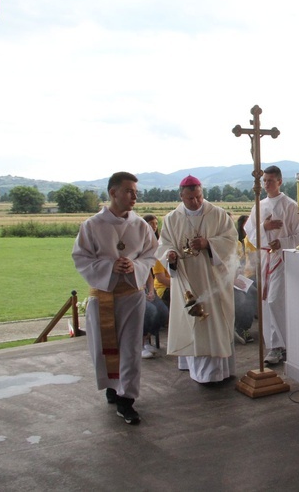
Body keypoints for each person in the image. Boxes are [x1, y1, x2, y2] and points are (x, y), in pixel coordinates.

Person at [72, 171, 158, 425]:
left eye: (135, 192)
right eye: (129, 191)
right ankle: (113, 386)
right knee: (105, 347)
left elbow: (150, 255)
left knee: (131, 348)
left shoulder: (140, 225)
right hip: (104, 295)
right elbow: (81, 258)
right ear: (113, 193)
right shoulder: (92, 225)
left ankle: (126, 399)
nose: (134, 196)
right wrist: (110, 267)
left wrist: (134, 266)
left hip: (132, 295)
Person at [157, 175, 238, 383]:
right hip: (187, 279)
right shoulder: (172, 219)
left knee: (213, 322)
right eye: (191, 198)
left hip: (212, 279)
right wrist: (170, 256)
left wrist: (208, 244)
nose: (196, 202)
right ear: (181, 196)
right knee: (191, 320)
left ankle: (217, 372)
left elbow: (231, 240)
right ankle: (194, 368)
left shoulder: (218, 214)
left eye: (199, 197)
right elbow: (164, 245)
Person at [244, 165, 299, 365]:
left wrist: (283, 243)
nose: (267, 184)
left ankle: (284, 344)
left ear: (279, 181)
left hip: (281, 259)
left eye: (271, 180)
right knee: (265, 302)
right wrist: (264, 227)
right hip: (264, 259)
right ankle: (273, 346)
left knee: (275, 300)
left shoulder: (290, 205)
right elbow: (250, 234)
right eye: (265, 181)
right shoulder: (258, 205)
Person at [142, 214, 168, 359]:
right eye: (150, 224)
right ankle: (141, 343)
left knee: (163, 311)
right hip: (134, 290)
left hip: (147, 288)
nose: (154, 226)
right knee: (150, 310)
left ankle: (148, 337)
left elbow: (148, 274)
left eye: (156, 224)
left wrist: (151, 291)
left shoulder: (157, 245)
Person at [234, 214, 257, 345]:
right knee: (243, 298)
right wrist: (232, 280)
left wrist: (239, 276)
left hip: (238, 278)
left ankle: (244, 327)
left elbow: (241, 264)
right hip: (222, 282)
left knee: (253, 291)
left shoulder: (237, 243)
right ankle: (240, 328)